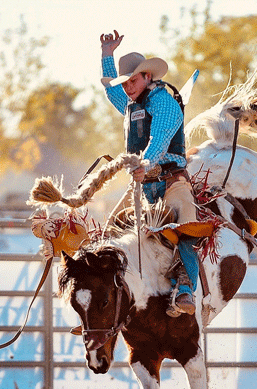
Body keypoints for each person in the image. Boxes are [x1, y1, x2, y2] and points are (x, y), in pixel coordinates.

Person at [100, 30, 199, 316]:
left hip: (171, 182)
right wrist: (107, 54)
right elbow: (110, 89)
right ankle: (104, 298)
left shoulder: (164, 102)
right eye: (125, 82)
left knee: (187, 225)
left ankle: (184, 287)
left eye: (133, 81)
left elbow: (160, 139)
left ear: (147, 76)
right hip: (144, 188)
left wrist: (145, 164)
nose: (128, 87)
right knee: (110, 229)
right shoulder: (131, 103)